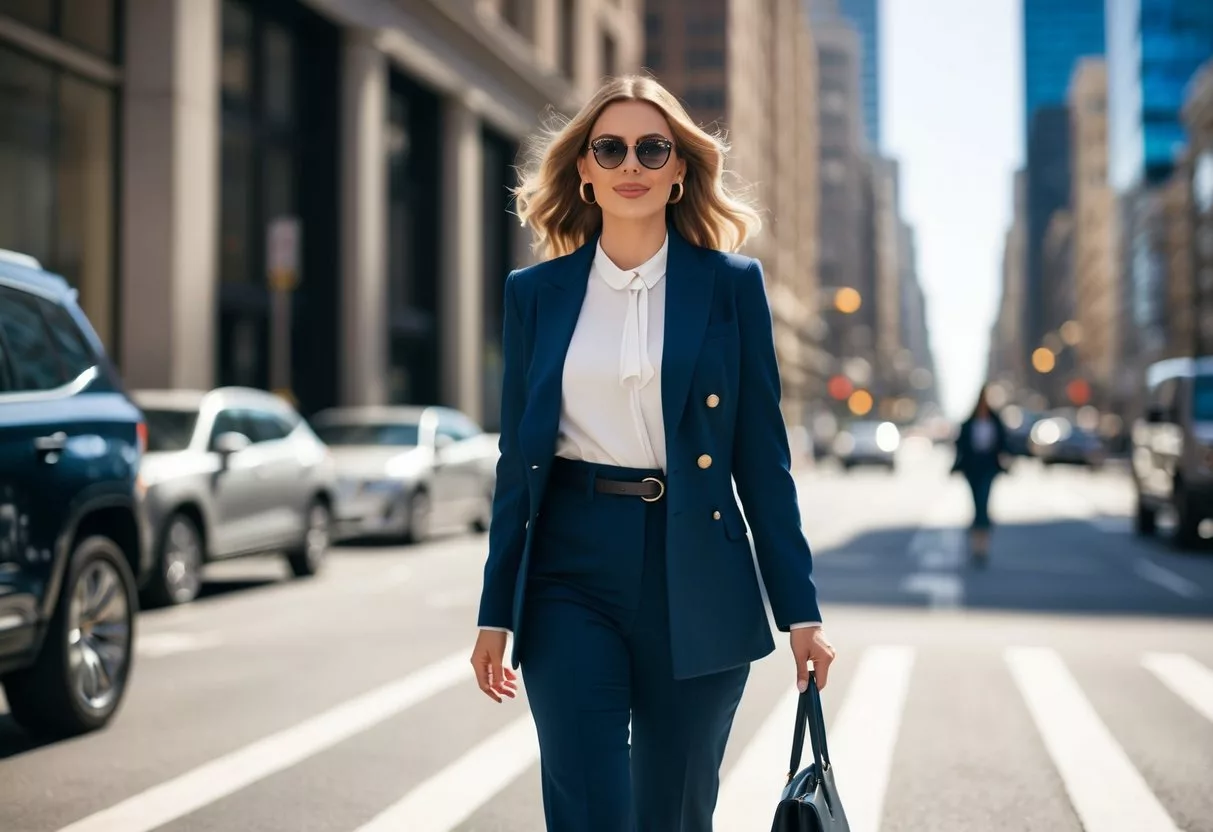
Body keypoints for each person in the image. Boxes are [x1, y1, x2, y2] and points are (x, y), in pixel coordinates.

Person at [468, 75, 836, 830]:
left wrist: (800, 611)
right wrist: (494, 614)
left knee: (673, 812)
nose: (629, 161)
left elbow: (761, 462)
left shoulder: (731, 287)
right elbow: (518, 464)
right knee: (587, 806)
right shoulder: (533, 294)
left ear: (677, 171)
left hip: (697, 568)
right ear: (585, 171)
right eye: (610, 147)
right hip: (570, 570)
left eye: (650, 147)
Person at [951, 384, 1009, 564]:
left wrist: (1005, 461)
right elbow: (960, 447)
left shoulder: (995, 422)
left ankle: (982, 546)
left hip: (988, 468)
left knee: (983, 504)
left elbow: (1003, 443)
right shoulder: (969, 424)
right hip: (972, 469)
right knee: (977, 505)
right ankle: (977, 543)